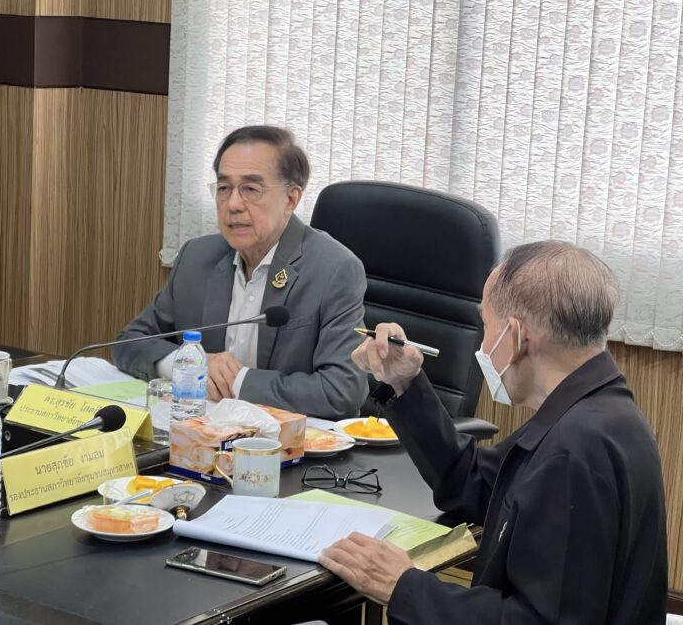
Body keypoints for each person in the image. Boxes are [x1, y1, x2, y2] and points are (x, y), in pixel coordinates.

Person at [321, 241, 667, 623]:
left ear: (515, 336)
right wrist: (404, 383)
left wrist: (403, 586)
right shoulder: (595, 410)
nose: (484, 345)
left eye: (486, 326)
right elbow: (475, 485)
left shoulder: (574, 449)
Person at [113, 125, 368, 418]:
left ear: (291, 199)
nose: (233, 204)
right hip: (201, 430)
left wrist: (237, 380)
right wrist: (190, 366)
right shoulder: (197, 257)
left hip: (286, 440)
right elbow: (128, 342)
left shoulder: (334, 269)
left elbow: (341, 391)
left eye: (250, 189)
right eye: (224, 188)